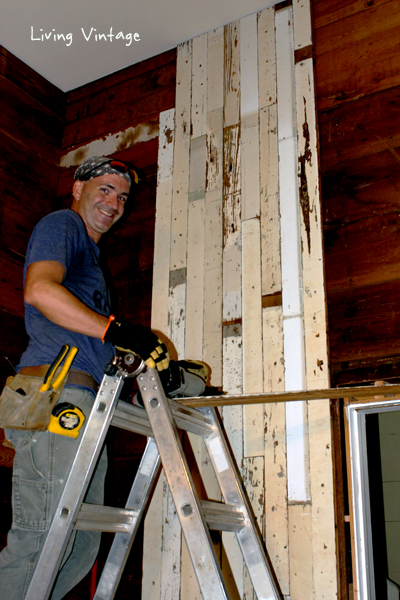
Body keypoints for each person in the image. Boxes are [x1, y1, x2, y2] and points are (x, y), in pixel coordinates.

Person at [0, 156, 169, 600]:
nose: (114, 203)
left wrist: (146, 358)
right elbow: (39, 290)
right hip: (54, 393)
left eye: (123, 197)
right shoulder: (62, 225)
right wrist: (115, 329)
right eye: (105, 189)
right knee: (43, 533)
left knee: (78, 542)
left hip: (84, 399)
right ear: (77, 188)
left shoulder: (91, 260)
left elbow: (99, 339)